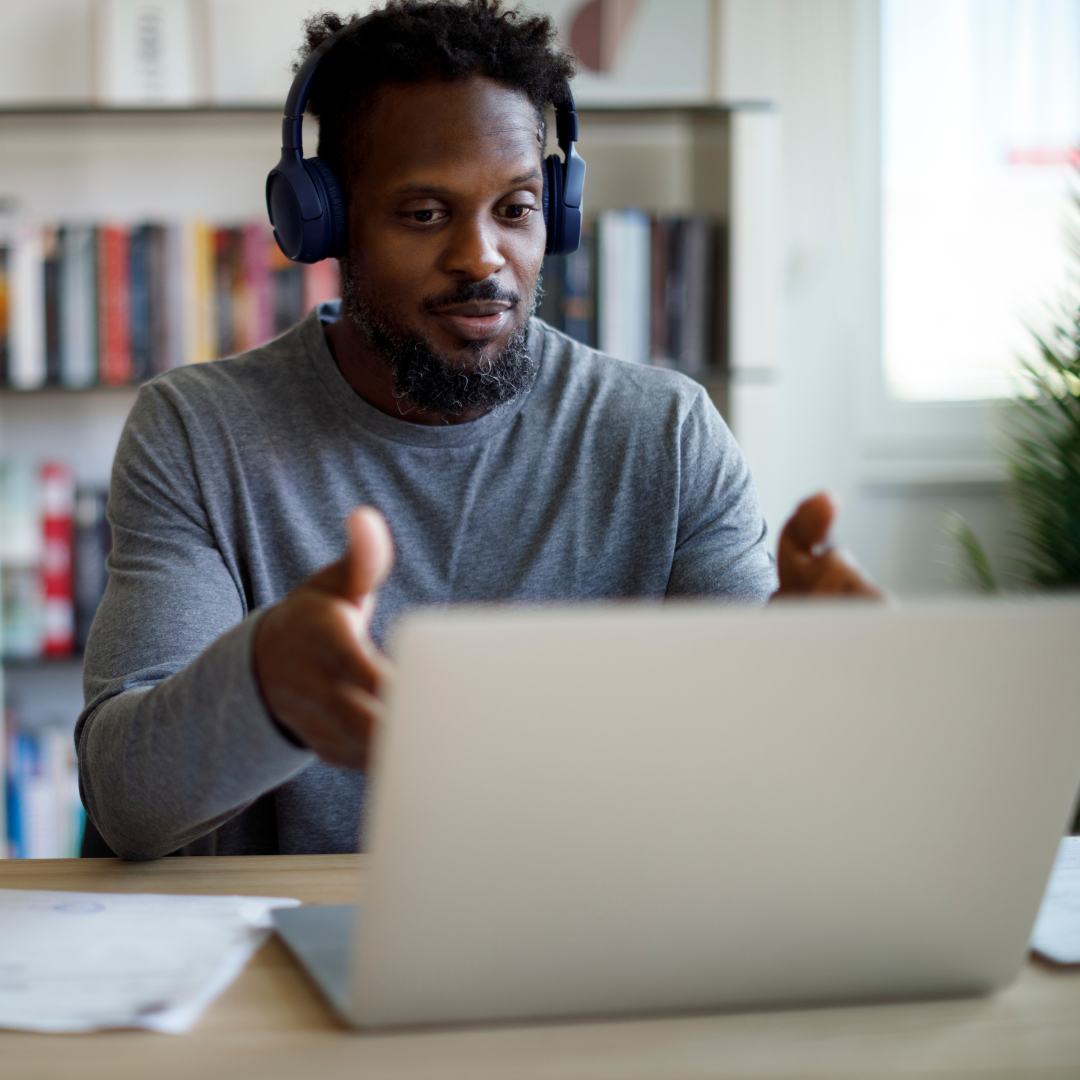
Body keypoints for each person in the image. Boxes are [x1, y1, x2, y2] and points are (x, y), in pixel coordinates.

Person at [76, 0, 878, 861]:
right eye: (425, 213)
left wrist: (812, 687)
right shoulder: (199, 434)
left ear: (557, 215)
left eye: (516, 208)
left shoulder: (667, 437)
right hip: (288, 955)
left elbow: (754, 788)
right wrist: (262, 680)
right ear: (330, 223)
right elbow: (127, 804)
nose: (482, 258)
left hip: (593, 948)